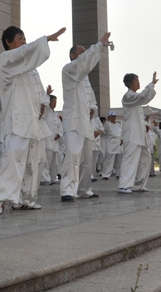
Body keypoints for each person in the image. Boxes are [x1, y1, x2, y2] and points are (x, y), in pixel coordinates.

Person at [0, 25, 65, 215]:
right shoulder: (5, 60)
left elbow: (39, 92)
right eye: (19, 38)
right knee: (13, 159)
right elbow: (24, 53)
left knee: (36, 162)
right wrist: (45, 39)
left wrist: (42, 103)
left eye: (24, 38)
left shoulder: (31, 70)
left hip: (35, 122)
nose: (23, 41)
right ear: (8, 42)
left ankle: (25, 199)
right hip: (16, 121)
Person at [59, 33, 110, 202]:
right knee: (73, 156)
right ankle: (67, 190)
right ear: (73, 55)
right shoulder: (68, 70)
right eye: (81, 52)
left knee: (87, 159)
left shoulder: (85, 78)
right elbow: (83, 63)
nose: (84, 55)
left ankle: (84, 189)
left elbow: (92, 100)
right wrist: (98, 46)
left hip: (86, 123)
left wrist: (92, 110)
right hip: (73, 120)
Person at [118, 73, 157, 193]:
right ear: (130, 84)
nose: (138, 83)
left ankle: (139, 185)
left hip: (140, 134)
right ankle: (124, 185)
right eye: (136, 81)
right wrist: (151, 84)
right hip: (131, 134)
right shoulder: (128, 97)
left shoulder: (136, 98)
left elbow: (144, 98)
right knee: (129, 159)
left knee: (145, 158)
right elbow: (142, 97)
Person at [40, 95, 61, 185]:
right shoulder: (47, 112)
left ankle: (53, 177)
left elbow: (60, 126)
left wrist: (59, 134)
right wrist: (47, 94)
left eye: (56, 102)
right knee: (46, 160)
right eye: (53, 102)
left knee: (54, 161)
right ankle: (44, 178)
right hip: (48, 140)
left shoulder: (55, 114)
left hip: (55, 141)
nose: (54, 104)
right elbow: (43, 103)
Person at [102, 111, 122, 179]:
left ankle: (119, 173)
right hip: (111, 144)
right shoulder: (107, 124)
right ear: (109, 117)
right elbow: (105, 130)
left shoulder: (118, 124)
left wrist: (122, 139)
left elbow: (121, 133)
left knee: (119, 160)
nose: (114, 118)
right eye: (112, 116)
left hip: (118, 144)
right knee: (109, 160)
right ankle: (106, 174)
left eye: (115, 116)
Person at [91, 114, 104, 181]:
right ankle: (89, 176)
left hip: (96, 142)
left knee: (94, 160)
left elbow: (102, 128)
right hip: (89, 141)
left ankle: (92, 175)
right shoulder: (85, 117)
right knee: (88, 160)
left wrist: (98, 132)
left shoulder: (96, 119)